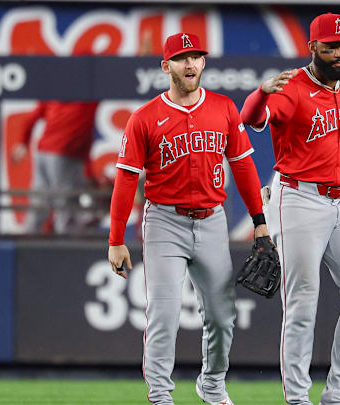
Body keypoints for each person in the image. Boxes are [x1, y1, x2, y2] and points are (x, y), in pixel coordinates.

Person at [107, 32, 270, 405]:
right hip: (165, 222)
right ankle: (161, 396)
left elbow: (244, 167)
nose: (191, 64)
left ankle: (212, 385)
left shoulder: (224, 108)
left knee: (222, 316)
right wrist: (115, 240)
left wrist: (259, 221)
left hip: (212, 221)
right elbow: (126, 179)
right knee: (163, 315)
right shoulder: (144, 118)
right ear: (166, 66)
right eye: (182, 58)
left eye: (196, 57)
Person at [240, 13, 340, 405]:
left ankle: (338, 393)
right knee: (303, 302)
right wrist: (261, 93)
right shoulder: (291, 87)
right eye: (332, 46)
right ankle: (298, 397)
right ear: (312, 48)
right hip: (298, 199)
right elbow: (250, 118)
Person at [12, 100, 98, 234]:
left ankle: (29, 238)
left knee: (40, 202)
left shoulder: (56, 92)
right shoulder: (88, 97)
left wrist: (23, 142)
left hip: (43, 153)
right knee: (65, 202)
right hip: (63, 154)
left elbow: (31, 117)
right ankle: (66, 246)